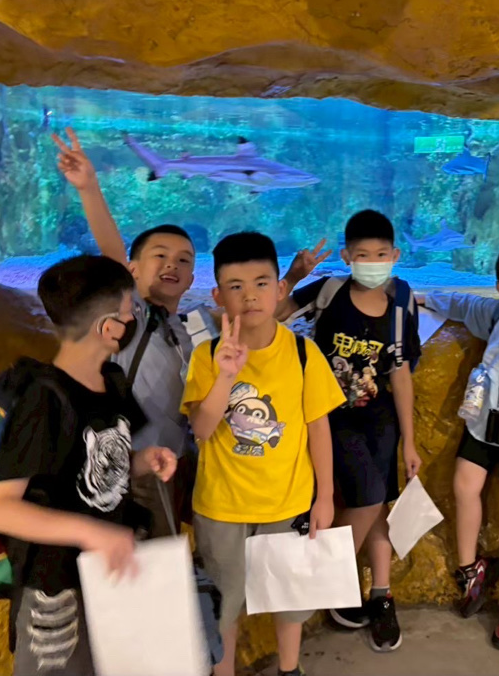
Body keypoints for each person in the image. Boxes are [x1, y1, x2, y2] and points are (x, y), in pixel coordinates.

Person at [53, 128, 327, 536]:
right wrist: (89, 188)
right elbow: (112, 252)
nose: (172, 265)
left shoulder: (195, 325)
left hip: (175, 461)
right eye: (160, 256)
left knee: (165, 551)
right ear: (131, 270)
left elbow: (255, 310)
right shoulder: (132, 316)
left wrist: (292, 276)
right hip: (126, 460)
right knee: (135, 556)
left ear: (194, 278)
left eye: (184, 260)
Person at [0, 255, 178, 676]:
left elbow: (90, 465)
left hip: (111, 572)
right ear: (109, 328)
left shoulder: (112, 383)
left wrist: (141, 461)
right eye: (129, 313)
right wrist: (91, 531)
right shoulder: (42, 400)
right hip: (56, 585)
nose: (132, 321)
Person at [182, 231, 344, 676]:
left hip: (286, 503)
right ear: (218, 296)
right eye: (235, 286)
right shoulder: (207, 355)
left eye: (260, 283)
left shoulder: (303, 353)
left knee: (290, 599)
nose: (249, 296)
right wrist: (225, 376)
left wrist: (324, 496)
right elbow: (201, 429)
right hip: (221, 506)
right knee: (224, 605)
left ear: (279, 288)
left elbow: (318, 428)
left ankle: (289, 668)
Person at [277, 209, 421, 653]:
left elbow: (400, 374)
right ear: (346, 256)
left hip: (381, 421)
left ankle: (381, 595)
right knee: (369, 497)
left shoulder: (402, 301)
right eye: (363, 255)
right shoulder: (330, 291)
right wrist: (294, 275)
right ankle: (329, 581)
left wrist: (410, 441)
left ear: (395, 255)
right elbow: (273, 314)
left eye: (381, 254)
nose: (372, 262)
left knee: (379, 506)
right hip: (331, 418)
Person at [419, 244, 499, 649]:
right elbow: (462, 303)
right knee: (464, 485)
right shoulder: (496, 314)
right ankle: (469, 570)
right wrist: (421, 297)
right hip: (483, 424)